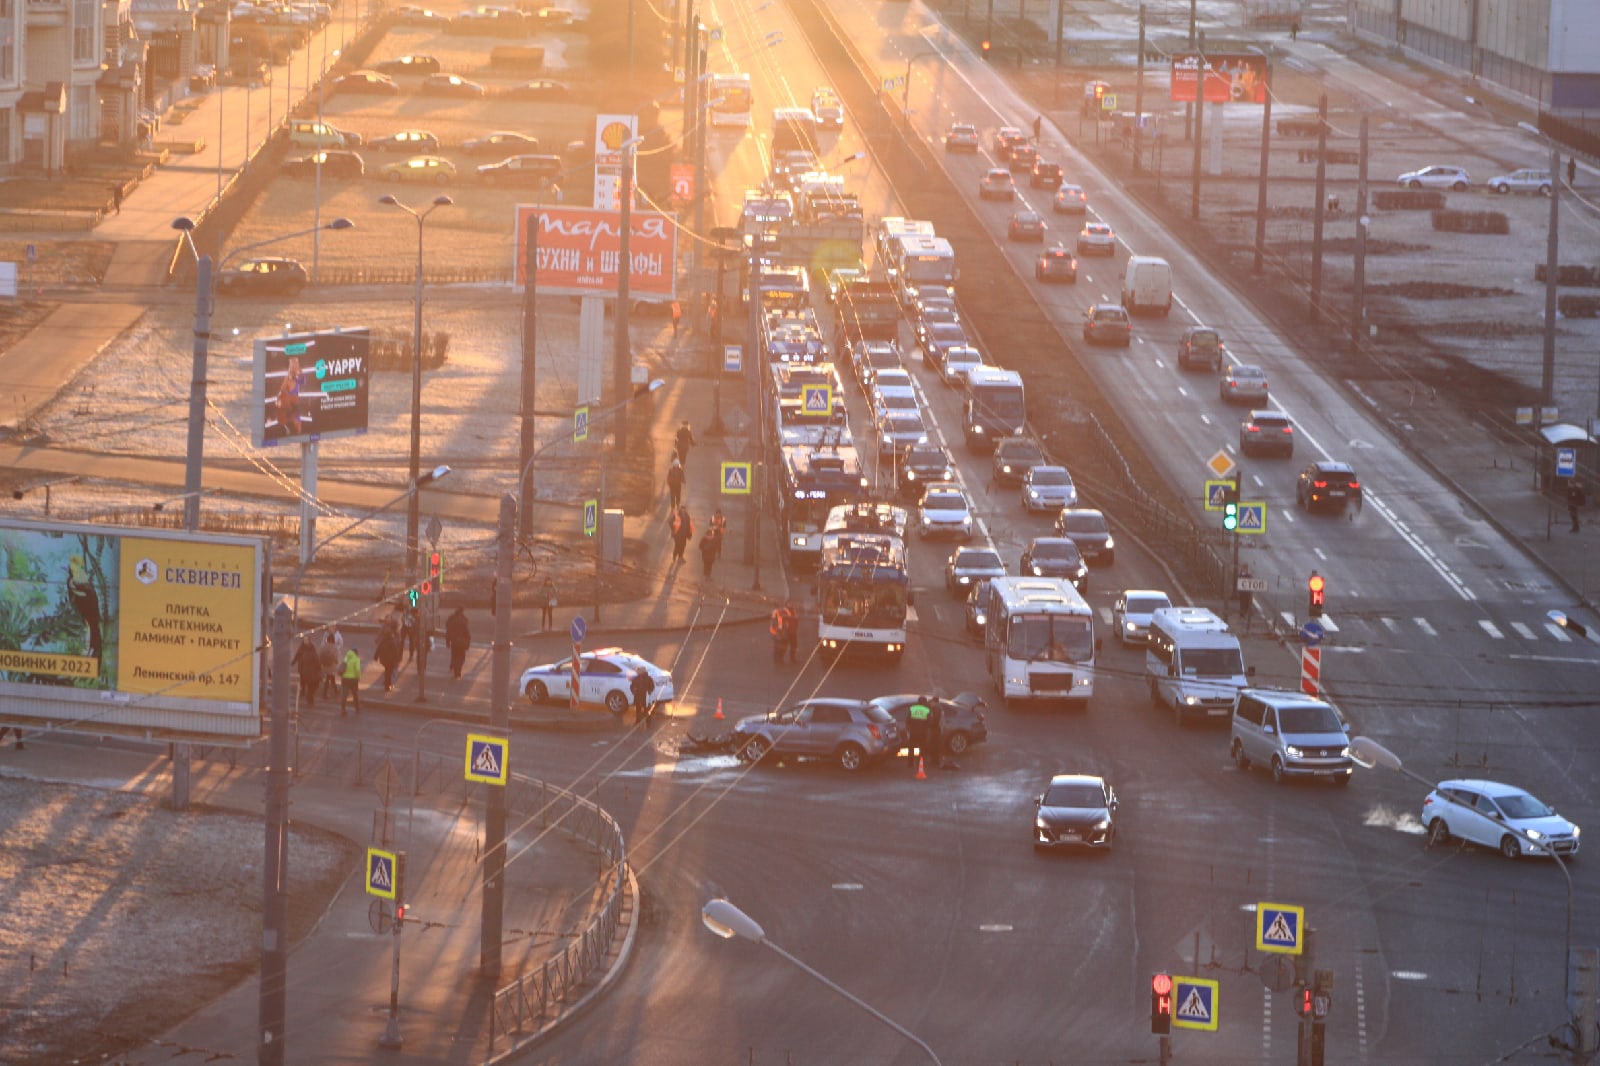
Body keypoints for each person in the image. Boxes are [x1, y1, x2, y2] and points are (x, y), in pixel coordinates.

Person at [275, 356, 302, 438]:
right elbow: (282, 391)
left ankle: (297, 432)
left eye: (297, 364)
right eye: (293, 365)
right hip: (289, 406)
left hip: (295, 405)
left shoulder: (299, 377)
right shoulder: (287, 379)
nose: (296, 367)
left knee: (297, 424)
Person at [293, 636, 322, 709]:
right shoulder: (314, 655)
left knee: (308, 684)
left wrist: (294, 663)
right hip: (312, 673)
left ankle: (308, 696)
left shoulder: (304, 654)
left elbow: (299, 658)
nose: (305, 641)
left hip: (305, 672)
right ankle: (309, 697)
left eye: (306, 640)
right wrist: (320, 671)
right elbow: (318, 664)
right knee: (312, 686)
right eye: (304, 640)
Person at [445, 606, 471, 679]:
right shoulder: (464, 620)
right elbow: (467, 634)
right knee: (461, 657)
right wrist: (468, 643)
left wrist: (447, 641)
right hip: (462, 642)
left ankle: (455, 668)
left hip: (454, 642)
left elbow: (448, 631)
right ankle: (457, 670)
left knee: (455, 656)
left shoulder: (452, 620)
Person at [906, 697, 930, 772]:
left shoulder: (912, 708)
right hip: (922, 732)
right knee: (922, 749)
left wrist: (908, 729)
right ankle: (919, 763)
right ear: (924, 702)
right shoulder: (927, 710)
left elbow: (908, 720)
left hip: (913, 732)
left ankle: (910, 763)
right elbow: (929, 722)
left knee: (911, 748)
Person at [375, 623, 401, 692]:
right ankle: (388, 685)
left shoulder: (384, 641)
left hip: (384, 659)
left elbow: (378, 648)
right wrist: (397, 659)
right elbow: (395, 651)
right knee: (389, 673)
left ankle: (387, 684)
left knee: (387, 672)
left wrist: (376, 657)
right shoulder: (392, 642)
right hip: (390, 660)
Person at [340, 646, 363, 716]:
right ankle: (357, 708)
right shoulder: (356, 659)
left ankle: (343, 709)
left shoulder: (346, 658)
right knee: (355, 694)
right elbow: (358, 670)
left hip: (344, 679)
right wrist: (359, 677)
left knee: (344, 695)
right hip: (353, 680)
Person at [318, 631, 341, 699]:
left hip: (325, 665)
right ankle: (325, 694)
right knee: (329, 678)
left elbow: (320, 655)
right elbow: (336, 657)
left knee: (330, 677)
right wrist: (337, 662)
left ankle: (336, 690)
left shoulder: (324, 646)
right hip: (331, 665)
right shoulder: (334, 647)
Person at [925, 697, 943, 773]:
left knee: (935, 745)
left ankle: (936, 761)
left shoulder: (937, 708)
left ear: (934, 702)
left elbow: (935, 720)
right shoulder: (937, 707)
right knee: (934, 745)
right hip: (936, 729)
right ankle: (935, 760)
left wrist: (929, 724)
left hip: (936, 729)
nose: (930, 704)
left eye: (931, 702)